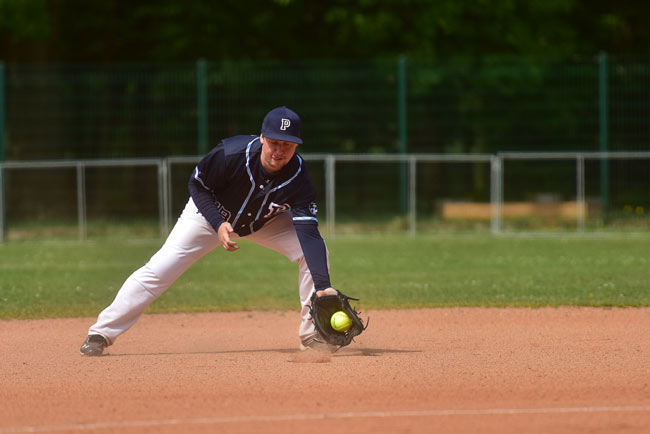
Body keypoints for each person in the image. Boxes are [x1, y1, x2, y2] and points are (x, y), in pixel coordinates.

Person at [80, 107, 339, 356]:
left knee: (316, 253)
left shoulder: (300, 178)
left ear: (296, 145)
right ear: (262, 138)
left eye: (287, 145)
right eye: (274, 142)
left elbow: (308, 233)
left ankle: (311, 334)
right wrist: (217, 223)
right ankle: (101, 333)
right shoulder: (231, 154)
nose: (279, 151)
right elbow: (197, 185)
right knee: (159, 269)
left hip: (263, 222)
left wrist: (324, 286)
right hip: (207, 216)